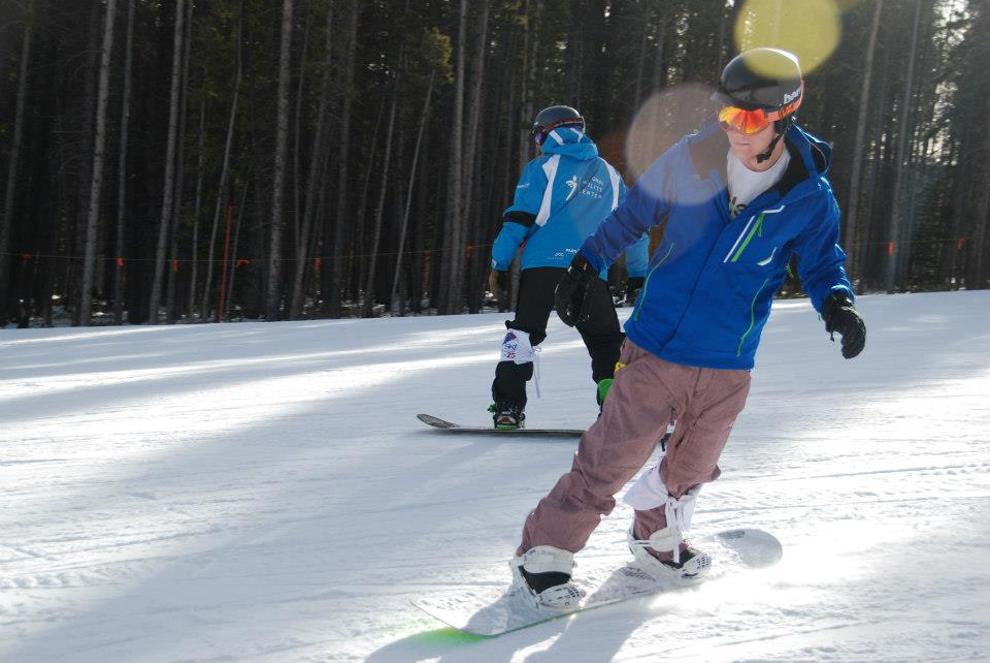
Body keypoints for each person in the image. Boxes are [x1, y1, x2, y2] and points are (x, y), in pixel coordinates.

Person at [509, 48, 867, 609]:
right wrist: (586, 264)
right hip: (656, 345)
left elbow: (823, 263)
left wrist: (839, 304)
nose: (735, 131)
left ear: (784, 115)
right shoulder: (693, 158)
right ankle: (544, 556)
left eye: (749, 121)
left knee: (691, 470)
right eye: (727, 116)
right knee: (611, 458)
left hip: (729, 359)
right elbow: (633, 215)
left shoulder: (808, 196)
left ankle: (655, 539)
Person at [488, 104, 648, 430]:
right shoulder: (609, 174)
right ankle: (615, 407)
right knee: (605, 341)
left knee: (522, 335)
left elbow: (519, 218)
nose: (537, 143)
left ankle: (507, 407)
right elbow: (634, 226)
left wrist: (499, 263)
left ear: (548, 132)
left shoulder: (542, 168)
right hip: (589, 268)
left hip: (543, 268)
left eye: (537, 136)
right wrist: (637, 272)